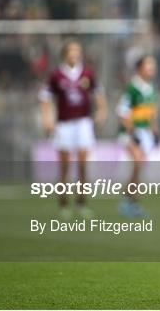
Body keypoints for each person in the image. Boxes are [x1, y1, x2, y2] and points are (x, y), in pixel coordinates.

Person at [39, 40, 107, 220]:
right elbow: (45, 97)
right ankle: (63, 203)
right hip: (64, 124)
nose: (75, 54)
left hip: (83, 123)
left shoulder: (87, 73)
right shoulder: (56, 75)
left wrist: (101, 111)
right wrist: (47, 118)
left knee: (83, 165)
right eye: (72, 51)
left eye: (77, 51)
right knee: (65, 166)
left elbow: (99, 93)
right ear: (65, 54)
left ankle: (82, 203)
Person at [116, 55, 159, 217]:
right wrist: (132, 132)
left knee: (139, 166)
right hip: (131, 133)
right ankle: (129, 200)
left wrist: (155, 132)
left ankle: (131, 200)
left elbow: (152, 113)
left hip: (144, 132)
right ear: (139, 68)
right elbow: (122, 112)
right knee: (138, 161)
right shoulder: (132, 88)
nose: (151, 69)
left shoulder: (150, 88)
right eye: (148, 66)